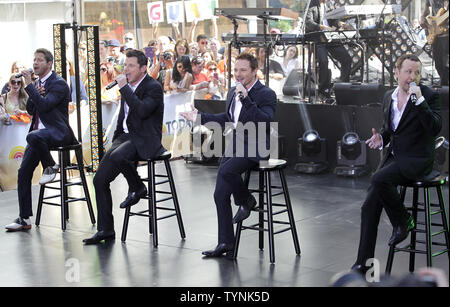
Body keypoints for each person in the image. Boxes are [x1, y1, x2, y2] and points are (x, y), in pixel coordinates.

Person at [180, 53, 277, 258]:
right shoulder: (233, 91)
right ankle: (226, 242)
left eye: (243, 70)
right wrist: (199, 117)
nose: (238, 74)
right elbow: (228, 118)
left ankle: (246, 200)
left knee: (225, 169)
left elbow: (265, 122)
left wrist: (247, 99)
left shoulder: (265, 93)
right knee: (219, 195)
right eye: (235, 70)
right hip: (236, 144)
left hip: (257, 145)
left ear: (254, 71)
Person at [351, 54, 442, 274]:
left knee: (378, 178)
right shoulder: (388, 97)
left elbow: (435, 128)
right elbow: (391, 130)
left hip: (417, 159)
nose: (413, 77)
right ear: (397, 72)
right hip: (394, 157)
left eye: (417, 72)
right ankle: (364, 264)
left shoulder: (428, 96)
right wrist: (381, 138)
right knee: (368, 206)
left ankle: (403, 221)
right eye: (408, 72)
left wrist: (419, 102)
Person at [83, 49, 166, 245]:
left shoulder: (153, 87)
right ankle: (105, 230)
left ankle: (137, 187)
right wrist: (116, 138)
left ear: (143, 68)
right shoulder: (127, 86)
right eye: (125, 65)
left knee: (119, 156)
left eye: (131, 66)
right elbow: (125, 117)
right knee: (99, 180)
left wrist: (125, 89)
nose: (126, 69)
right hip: (127, 138)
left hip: (146, 138)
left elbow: (143, 111)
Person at [4, 48, 76, 231]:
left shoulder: (59, 83)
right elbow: (30, 109)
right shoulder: (36, 84)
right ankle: (24, 218)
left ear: (49, 64)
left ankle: (50, 166)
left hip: (58, 133)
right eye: (34, 60)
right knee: (23, 172)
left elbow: (44, 106)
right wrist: (34, 90)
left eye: (40, 60)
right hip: (39, 136)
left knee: (33, 136)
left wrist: (30, 87)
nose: (35, 63)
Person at [305, 0, 352, 99]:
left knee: (346, 58)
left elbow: (332, 20)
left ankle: (343, 87)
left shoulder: (329, 4)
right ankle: (323, 91)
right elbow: (309, 22)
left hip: (330, 37)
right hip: (317, 38)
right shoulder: (312, 4)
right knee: (323, 61)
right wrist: (323, 27)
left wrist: (340, 24)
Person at [420, 0, 449, 86]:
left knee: (446, 64)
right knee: (438, 63)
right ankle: (444, 85)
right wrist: (422, 17)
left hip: (447, 33)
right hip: (435, 32)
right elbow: (426, 8)